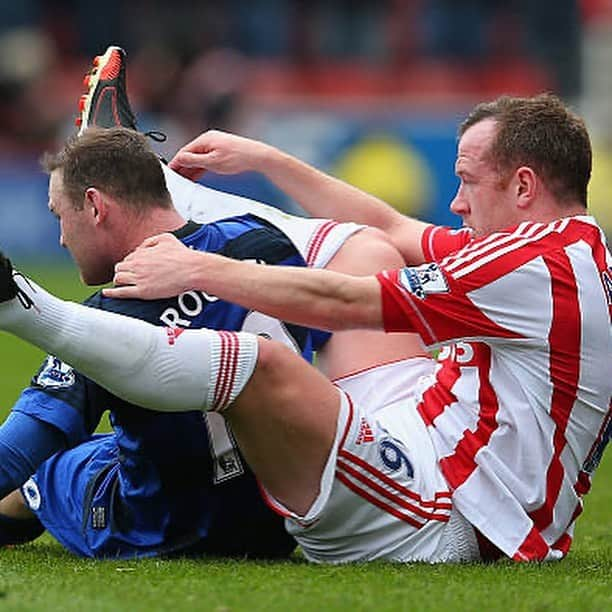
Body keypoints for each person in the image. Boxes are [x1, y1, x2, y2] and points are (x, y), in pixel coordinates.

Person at [5, 93, 608, 563]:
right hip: (433, 429)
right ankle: (155, 178)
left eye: (468, 181)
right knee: (370, 250)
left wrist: (202, 269)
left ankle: (19, 304)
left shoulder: (534, 268)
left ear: (524, 186)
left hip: (437, 514)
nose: (455, 202)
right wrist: (265, 159)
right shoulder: (565, 250)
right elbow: (392, 232)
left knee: (261, 362)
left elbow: (343, 303)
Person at [0, 46, 422, 558]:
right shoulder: (265, 244)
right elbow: (358, 259)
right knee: (359, 255)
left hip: (170, 525)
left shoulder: (107, 316)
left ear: (94, 207)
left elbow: (18, 448)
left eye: (58, 215)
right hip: (288, 508)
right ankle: (132, 156)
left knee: (50, 463)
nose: (61, 239)